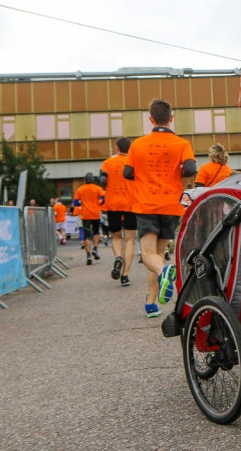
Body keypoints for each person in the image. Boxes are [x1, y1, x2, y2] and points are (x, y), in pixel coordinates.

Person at [125, 99, 197, 319]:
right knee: (158, 253)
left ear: (151, 118)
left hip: (147, 203)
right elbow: (191, 169)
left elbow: (128, 173)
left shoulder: (137, 144)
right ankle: (151, 303)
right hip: (171, 205)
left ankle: (164, 271)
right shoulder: (182, 143)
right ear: (171, 118)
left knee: (148, 254)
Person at [99, 137, 138, 286]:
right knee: (129, 240)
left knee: (116, 237)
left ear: (117, 148)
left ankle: (117, 257)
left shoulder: (108, 162)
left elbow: (102, 181)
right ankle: (125, 276)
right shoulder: (134, 163)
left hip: (113, 204)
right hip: (131, 204)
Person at [73, 173, 104, 265]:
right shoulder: (97, 188)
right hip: (95, 213)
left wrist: (82, 204)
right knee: (96, 232)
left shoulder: (80, 189)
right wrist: (98, 204)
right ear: (93, 180)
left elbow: (75, 203)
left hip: (85, 215)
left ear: (85, 180)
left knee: (86, 235)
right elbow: (104, 199)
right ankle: (95, 248)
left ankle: (88, 255)